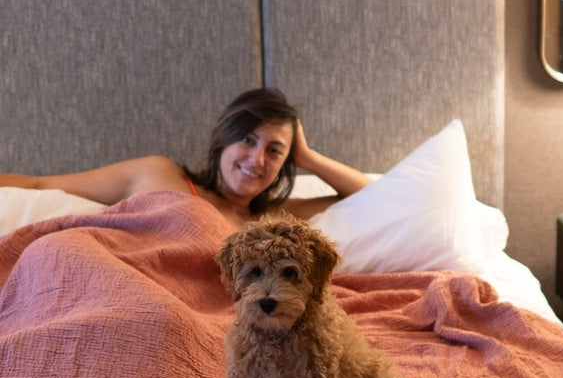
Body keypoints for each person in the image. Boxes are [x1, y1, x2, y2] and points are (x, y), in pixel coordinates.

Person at [0, 88, 371, 231]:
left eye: (274, 150)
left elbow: (371, 199)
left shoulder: (271, 217)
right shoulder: (159, 173)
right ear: (223, 140)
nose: (257, 159)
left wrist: (307, 157)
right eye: (247, 139)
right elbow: (40, 184)